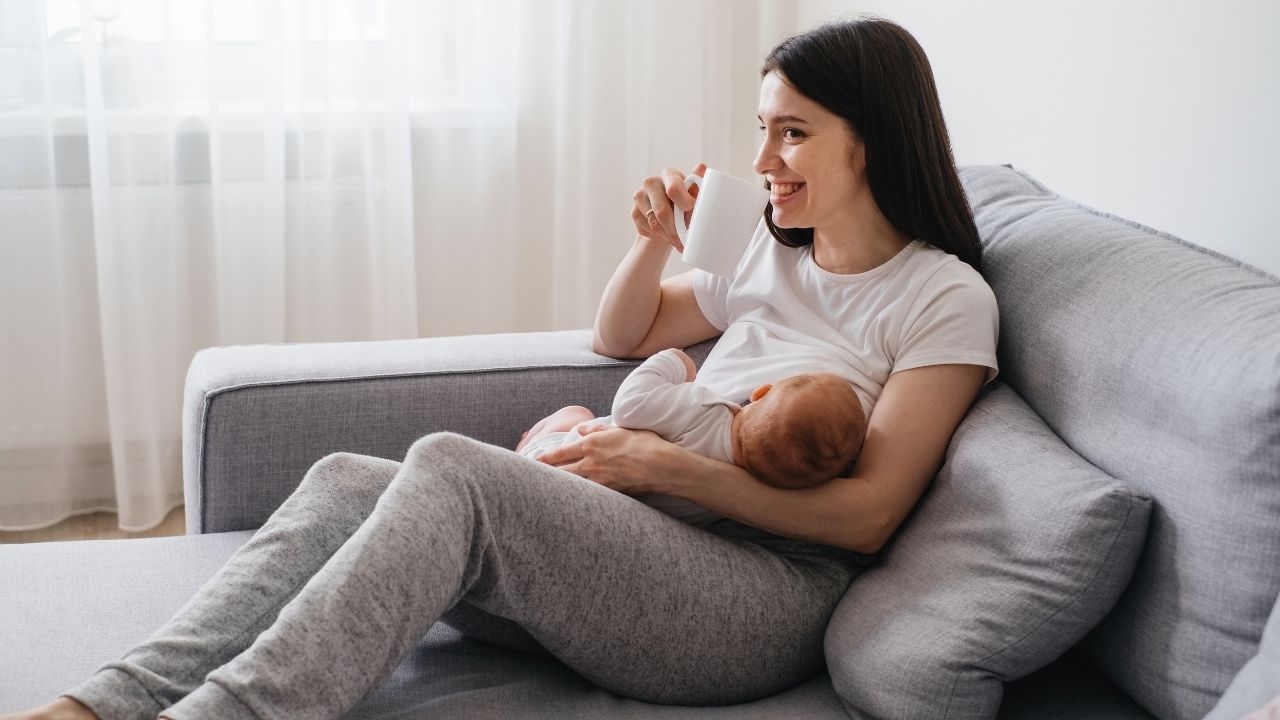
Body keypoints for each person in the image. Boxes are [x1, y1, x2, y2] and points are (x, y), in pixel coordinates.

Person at [5, 15, 998, 720]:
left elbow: (867, 514)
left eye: (792, 131)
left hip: (761, 597)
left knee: (454, 465)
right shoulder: (773, 252)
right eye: (761, 130)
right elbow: (621, 335)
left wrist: (662, 467)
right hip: (645, 541)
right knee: (349, 479)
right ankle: (105, 703)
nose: (766, 156)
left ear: (865, 142)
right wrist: (655, 240)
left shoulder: (940, 298)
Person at [516, 347, 867, 526]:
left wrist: (673, 361)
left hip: (560, 463)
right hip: (597, 506)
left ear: (760, 393)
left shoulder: (702, 410)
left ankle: (529, 445)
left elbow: (629, 405)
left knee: (576, 414)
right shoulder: (733, 497)